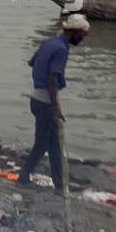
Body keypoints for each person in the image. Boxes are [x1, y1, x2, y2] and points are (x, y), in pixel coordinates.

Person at [18, 14, 90, 191]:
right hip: (46, 102)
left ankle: (57, 182)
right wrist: (55, 108)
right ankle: (29, 177)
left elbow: (31, 62)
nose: (82, 40)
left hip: (36, 98)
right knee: (48, 144)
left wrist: (41, 72)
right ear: (74, 32)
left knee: (51, 144)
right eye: (82, 35)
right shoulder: (61, 50)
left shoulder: (50, 42)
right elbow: (52, 79)